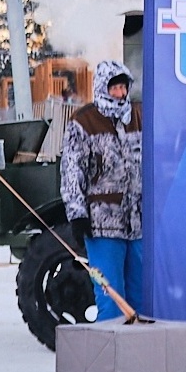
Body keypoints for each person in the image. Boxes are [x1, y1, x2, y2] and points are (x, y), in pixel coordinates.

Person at [59, 60, 142, 322]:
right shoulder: (83, 122)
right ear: (102, 88)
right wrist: (77, 213)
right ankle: (111, 360)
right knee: (111, 299)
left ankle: (141, 358)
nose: (119, 94)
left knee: (141, 299)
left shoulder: (140, 116)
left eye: (123, 88)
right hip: (103, 226)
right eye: (114, 88)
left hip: (139, 224)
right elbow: (72, 170)